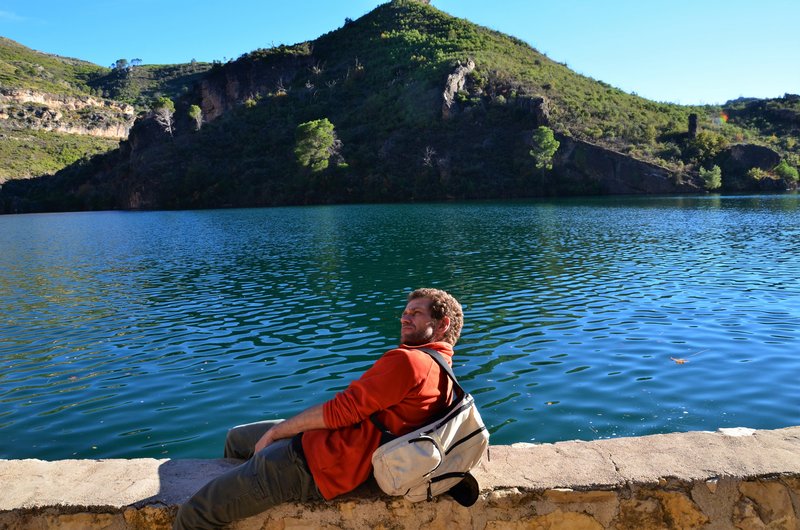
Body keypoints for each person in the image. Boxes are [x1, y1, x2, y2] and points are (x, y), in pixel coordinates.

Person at [174, 287, 464, 529]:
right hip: (326, 448)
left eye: (416, 313)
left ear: (443, 324)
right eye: (405, 312)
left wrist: (277, 432)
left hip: (311, 465)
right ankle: (242, 487)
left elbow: (340, 411)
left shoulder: (410, 361)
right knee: (237, 438)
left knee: (192, 515)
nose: (404, 318)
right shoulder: (445, 372)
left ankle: (244, 488)